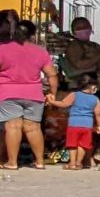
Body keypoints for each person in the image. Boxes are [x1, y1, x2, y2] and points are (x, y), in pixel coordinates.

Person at [0, 13, 57, 171]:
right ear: (32, 35)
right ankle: (39, 161)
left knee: (13, 127)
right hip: (34, 94)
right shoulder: (40, 52)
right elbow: (52, 75)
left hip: (8, 93)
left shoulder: (2, 49)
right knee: (33, 127)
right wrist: (52, 92)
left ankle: (12, 162)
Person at [62, 75, 100, 169]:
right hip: (87, 125)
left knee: (72, 144)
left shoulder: (74, 94)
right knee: (83, 145)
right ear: (91, 86)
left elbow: (64, 104)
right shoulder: (95, 99)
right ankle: (79, 163)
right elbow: (98, 112)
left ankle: (72, 163)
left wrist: (53, 102)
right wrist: (99, 125)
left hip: (73, 124)